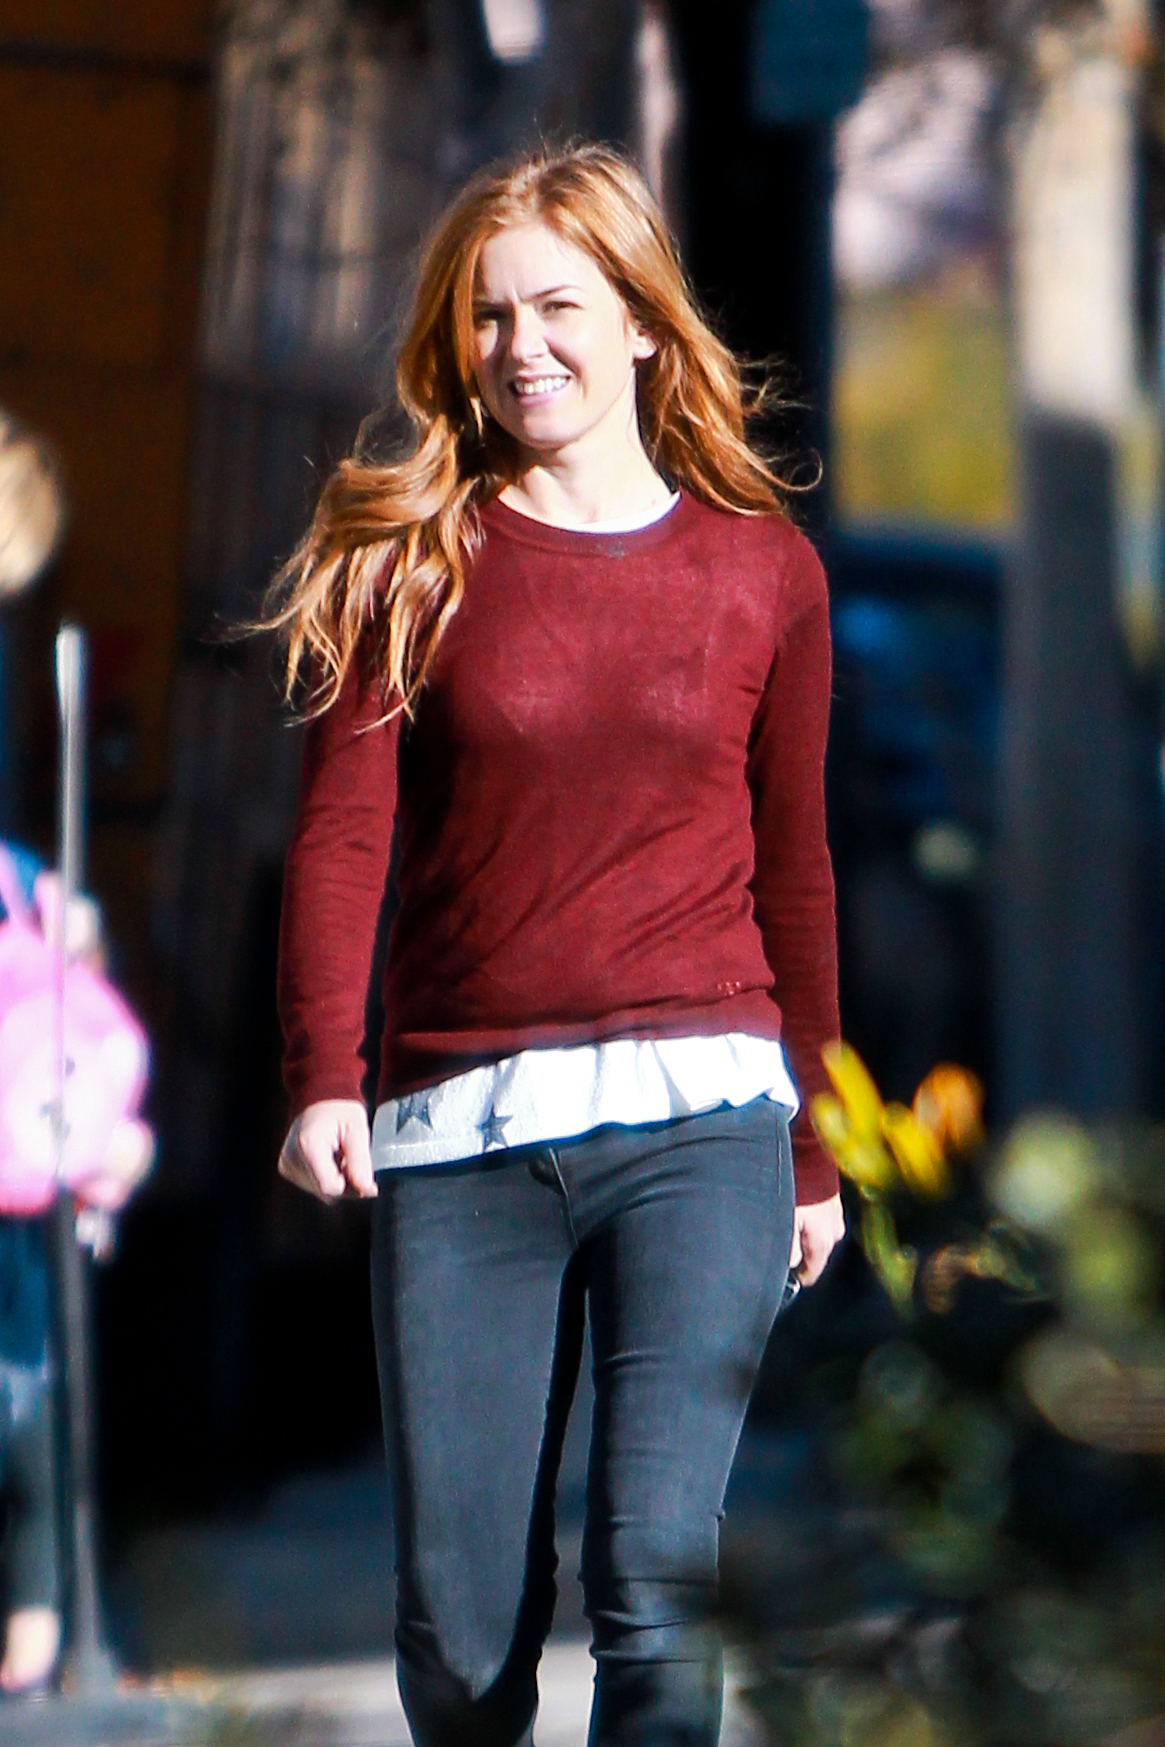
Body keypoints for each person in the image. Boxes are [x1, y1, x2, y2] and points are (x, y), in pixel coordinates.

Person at [271, 143, 845, 1747]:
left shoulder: (762, 571)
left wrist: (815, 1147)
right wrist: (322, 1072)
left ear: (643, 322)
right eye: (487, 316)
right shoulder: (410, 559)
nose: (520, 347)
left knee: (657, 1583)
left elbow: (796, 873)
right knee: (460, 1641)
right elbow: (341, 838)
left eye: (558, 308)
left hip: (702, 1121)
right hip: (464, 1135)